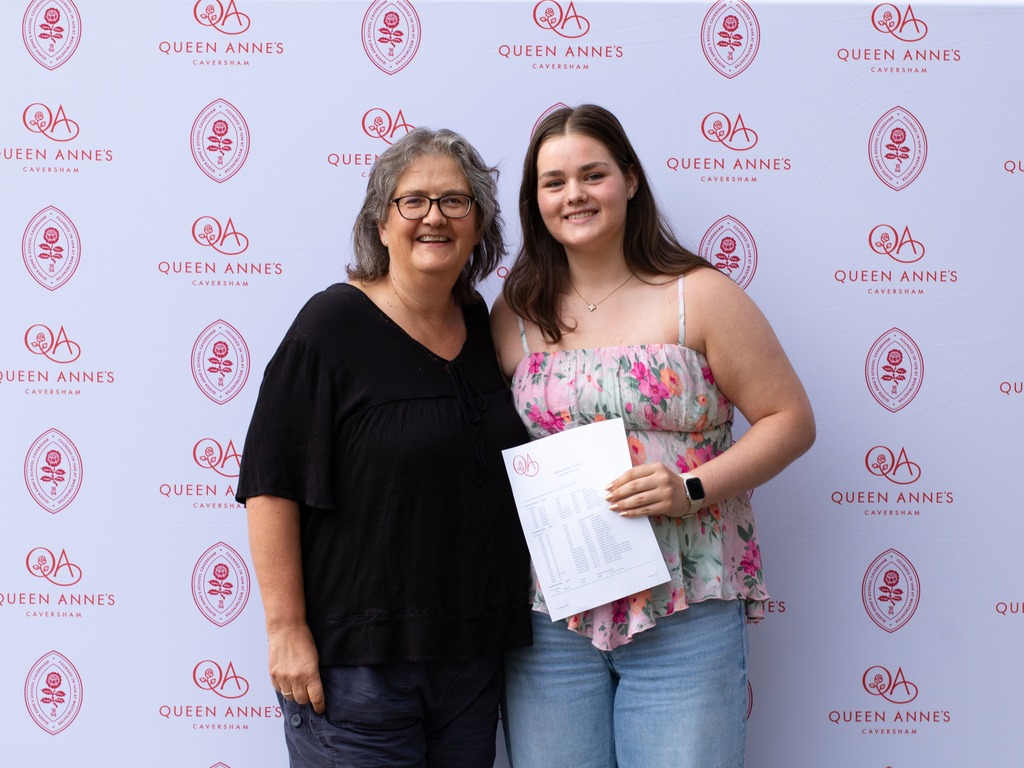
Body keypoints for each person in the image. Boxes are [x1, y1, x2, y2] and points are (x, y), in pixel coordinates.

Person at [491, 104, 816, 767]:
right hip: (551, 614)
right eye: (554, 183)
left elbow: (790, 421)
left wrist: (689, 488)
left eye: (593, 174)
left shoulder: (699, 296)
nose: (574, 194)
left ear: (630, 180)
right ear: (535, 202)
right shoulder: (514, 315)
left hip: (684, 604)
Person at [236, 127, 532, 767]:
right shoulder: (330, 326)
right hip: (357, 673)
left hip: (470, 663)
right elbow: (271, 483)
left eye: (456, 201)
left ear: (478, 225)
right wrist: (285, 630)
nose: (435, 216)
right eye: (414, 201)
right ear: (380, 221)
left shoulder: (484, 326)